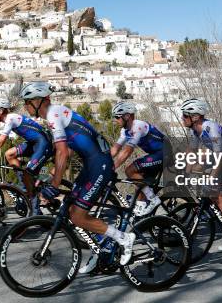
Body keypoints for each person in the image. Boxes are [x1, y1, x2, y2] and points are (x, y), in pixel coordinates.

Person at [19, 82, 135, 274]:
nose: (26, 107)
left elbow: (62, 152)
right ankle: (99, 250)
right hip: (92, 163)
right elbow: (67, 151)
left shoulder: (53, 115)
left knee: (77, 215)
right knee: (71, 209)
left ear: (39, 101)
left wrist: (55, 184)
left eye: (28, 102)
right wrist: (52, 175)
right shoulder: (56, 113)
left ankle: (123, 238)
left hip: (99, 164)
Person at [180, 98, 222, 251]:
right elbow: (192, 152)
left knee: (221, 197)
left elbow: (219, 156)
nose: (182, 118)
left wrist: (211, 179)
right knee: (212, 193)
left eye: (185, 115)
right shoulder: (196, 130)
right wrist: (184, 172)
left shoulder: (211, 128)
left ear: (195, 117)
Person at [0, 97, 53, 214]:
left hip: (43, 143)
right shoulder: (10, 118)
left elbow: (0, 141)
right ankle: (23, 184)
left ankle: (35, 211)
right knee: (9, 154)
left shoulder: (10, 118)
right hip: (34, 143)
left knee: (28, 174)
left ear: (0, 111)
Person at [111, 101, 165, 216]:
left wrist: (112, 167)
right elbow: (115, 149)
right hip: (156, 154)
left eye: (117, 117)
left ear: (127, 116)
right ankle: (142, 215)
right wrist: (103, 161)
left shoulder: (138, 126)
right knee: (139, 182)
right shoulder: (124, 131)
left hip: (165, 153)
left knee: (130, 170)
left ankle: (153, 199)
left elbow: (127, 151)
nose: (115, 120)